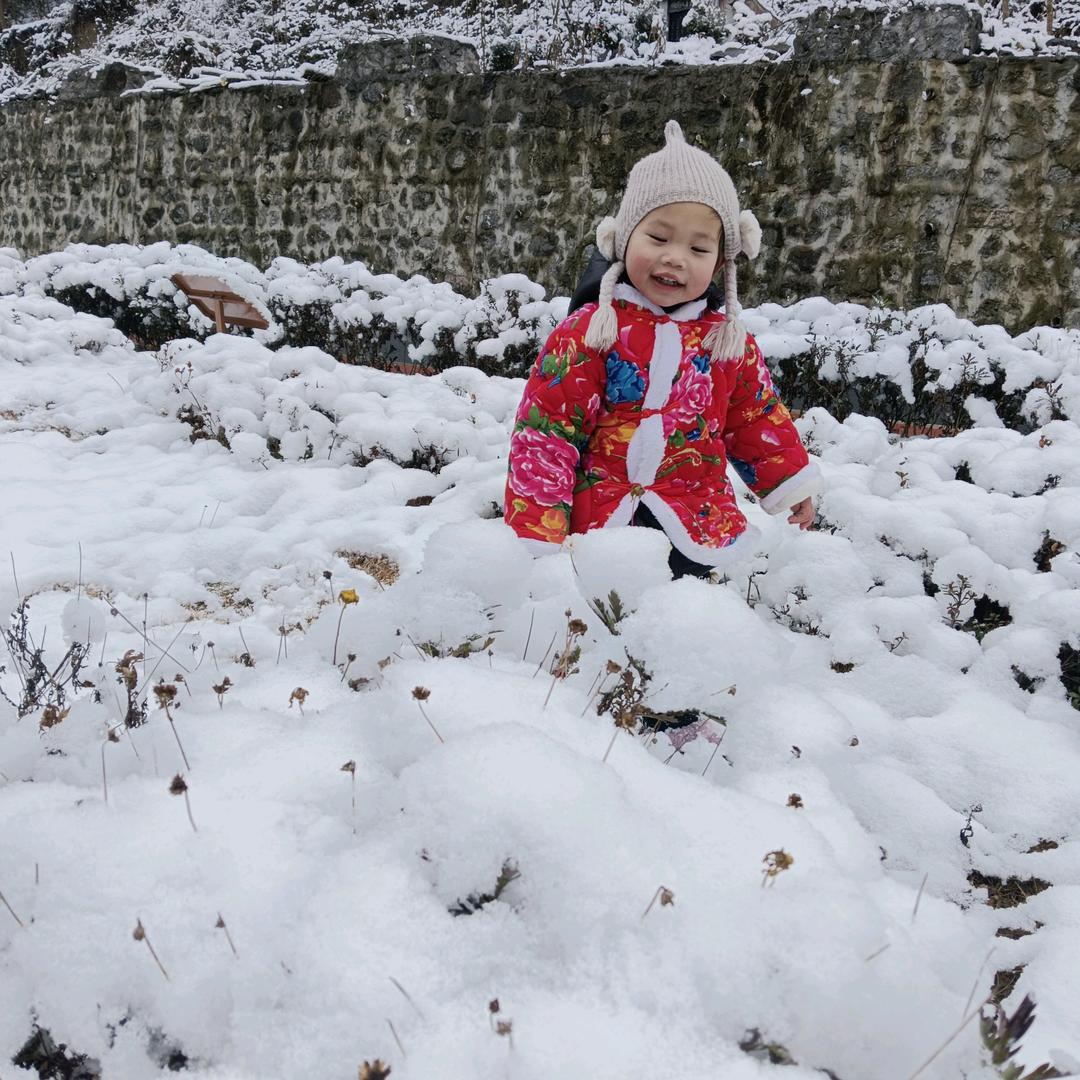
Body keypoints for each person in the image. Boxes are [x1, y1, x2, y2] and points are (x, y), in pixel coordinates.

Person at [504, 120, 821, 579]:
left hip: (690, 516)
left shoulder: (724, 341)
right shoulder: (592, 330)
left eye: (698, 247)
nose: (675, 257)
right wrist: (538, 530)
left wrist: (790, 483)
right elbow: (547, 432)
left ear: (722, 261)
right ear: (624, 237)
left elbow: (753, 416)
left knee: (672, 619)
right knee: (596, 619)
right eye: (658, 238)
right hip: (598, 522)